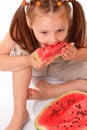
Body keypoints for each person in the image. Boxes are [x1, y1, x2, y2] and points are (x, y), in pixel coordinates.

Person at [0, 0, 87, 130]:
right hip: (34, 68)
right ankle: (19, 115)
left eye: (60, 30)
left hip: (65, 66)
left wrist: (76, 54)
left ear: (68, 20)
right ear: (29, 22)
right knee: (20, 53)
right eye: (44, 32)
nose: (53, 40)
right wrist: (28, 60)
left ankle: (51, 91)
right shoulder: (20, 28)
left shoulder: (74, 24)